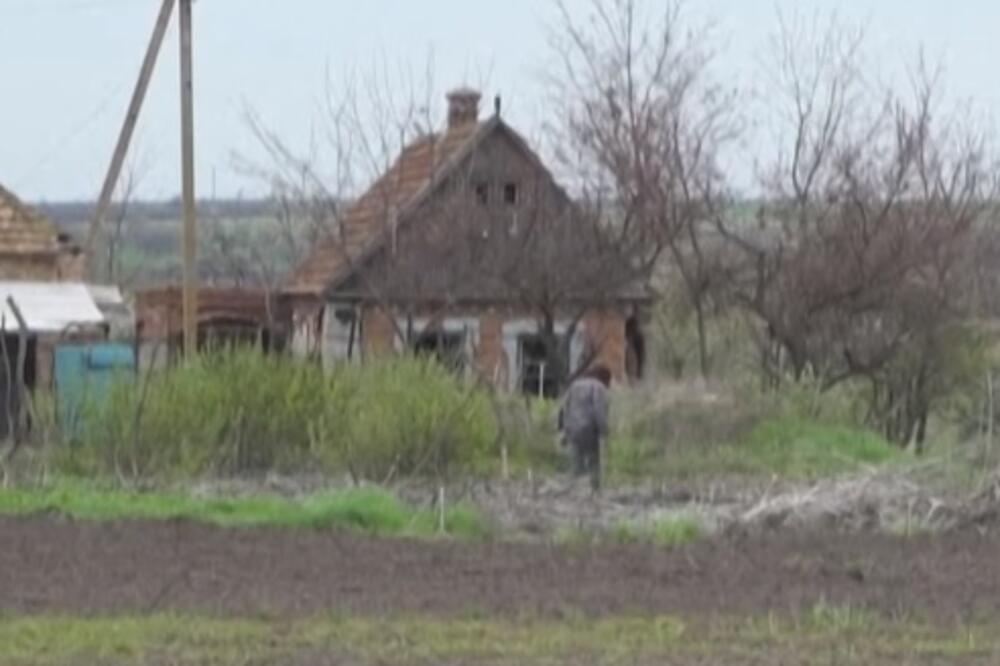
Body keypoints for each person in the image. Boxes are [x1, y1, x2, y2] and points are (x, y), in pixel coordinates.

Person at [558, 365, 612, 491]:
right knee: (594, 459)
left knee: (575, 458)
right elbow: (599, 410)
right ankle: (595, 487)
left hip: (572, 427)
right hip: (589, 428)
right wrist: (604, 429)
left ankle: (572, 486)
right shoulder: (598, 387)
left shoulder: (574, 385)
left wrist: (564, 428)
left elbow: (564, 407)